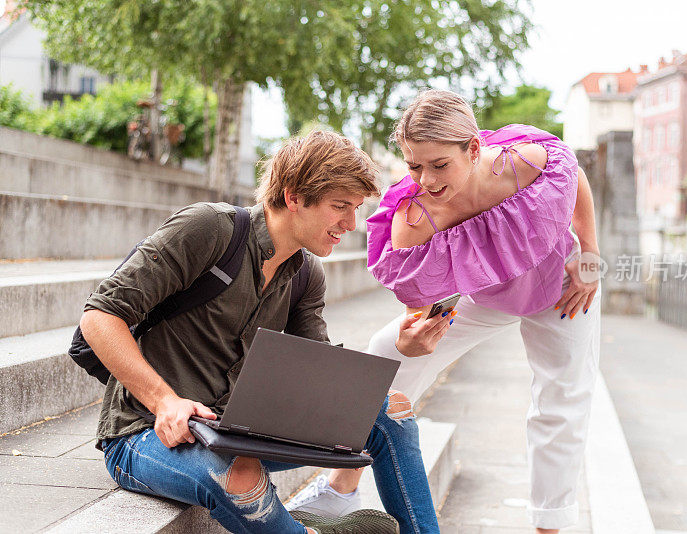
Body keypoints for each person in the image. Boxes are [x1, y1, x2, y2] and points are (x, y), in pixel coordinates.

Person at [80, 131, 447, 534]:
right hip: (147, 432)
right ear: (293, 196)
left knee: (390, 410)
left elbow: (319, 378)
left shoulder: (306, 274)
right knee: (239, 477)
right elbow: (99, 316)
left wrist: (399, 348)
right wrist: (165, 401)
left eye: (356, 208)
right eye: (340, 207)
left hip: (236, 430)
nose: (350, 224)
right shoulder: (208, 229)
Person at [288, 90, 601, 533]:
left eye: (439, 165)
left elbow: (575, 180)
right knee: (385, 351)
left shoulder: (523, 162)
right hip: (485, 291)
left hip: (562, 285)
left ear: (473, 149)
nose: (427, 179)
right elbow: (424, 306)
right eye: (415, 166)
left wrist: (589, 257)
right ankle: (341, 486)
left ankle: (549, 527)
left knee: (562, 399)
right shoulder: (414, 218)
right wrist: (413, 338)